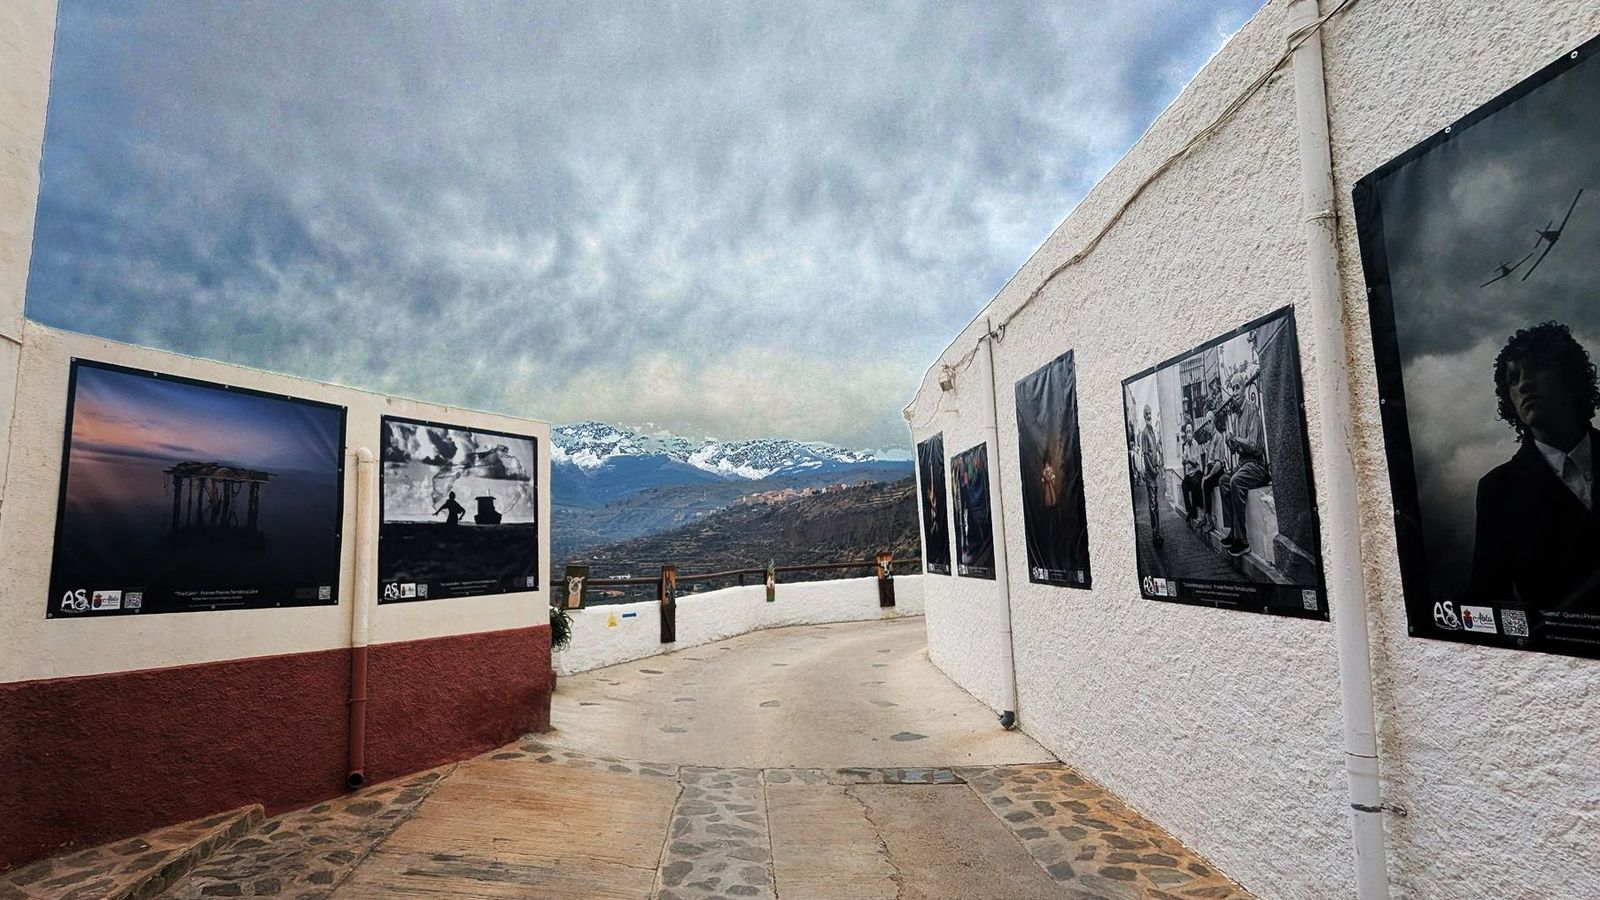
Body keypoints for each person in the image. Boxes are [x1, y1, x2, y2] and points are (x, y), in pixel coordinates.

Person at [1468, 321, 1600, 612]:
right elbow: (1487, 599)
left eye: (1537, 368)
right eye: (1513, 378)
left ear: (1570, 377)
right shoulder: (1498, 490)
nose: (1524, 384)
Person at [1220, 374, 1270, 557]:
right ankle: (1233, 532)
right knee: (1224, 481)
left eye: (1237, 388)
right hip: (1243, 463)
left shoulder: (1252, 409)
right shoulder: (1237, 416)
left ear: (1244, 389)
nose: (1234, 393)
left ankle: (1242, 540)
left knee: (1235, 481)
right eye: (1232, 389)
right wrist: (1230, 443)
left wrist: (1236, 439)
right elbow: (1238, 449)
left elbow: (1254, 445)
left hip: (1256, 465)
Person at [1138, 404, 1163, 547]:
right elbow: (1146, 455)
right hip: (1149, 474)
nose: (1148, 415)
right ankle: (1155, 536)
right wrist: (1153, 470)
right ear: (1143, 416)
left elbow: (1155, 452)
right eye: (1146, 413)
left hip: (1154, 472)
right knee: (1153, 506)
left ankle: (1158, 533)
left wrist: (1158, 465)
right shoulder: (1144, 433)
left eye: (1150, 413)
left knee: (1156, 505)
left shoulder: (1152, 431)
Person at [1180, 419, 1204, 521]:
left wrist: (1188, 460)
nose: (1188, 434)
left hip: (1197, 472)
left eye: (1190, 431)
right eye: (1187, 432)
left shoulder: (1196, 444)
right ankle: (1190, 511)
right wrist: (1183, 461)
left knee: (1195, 485)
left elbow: (1195, 463)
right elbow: (1184, 460)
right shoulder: (1185, 446)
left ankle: (1194, 512)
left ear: (1193, 433)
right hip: (1190, 473)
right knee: (1184, 485)